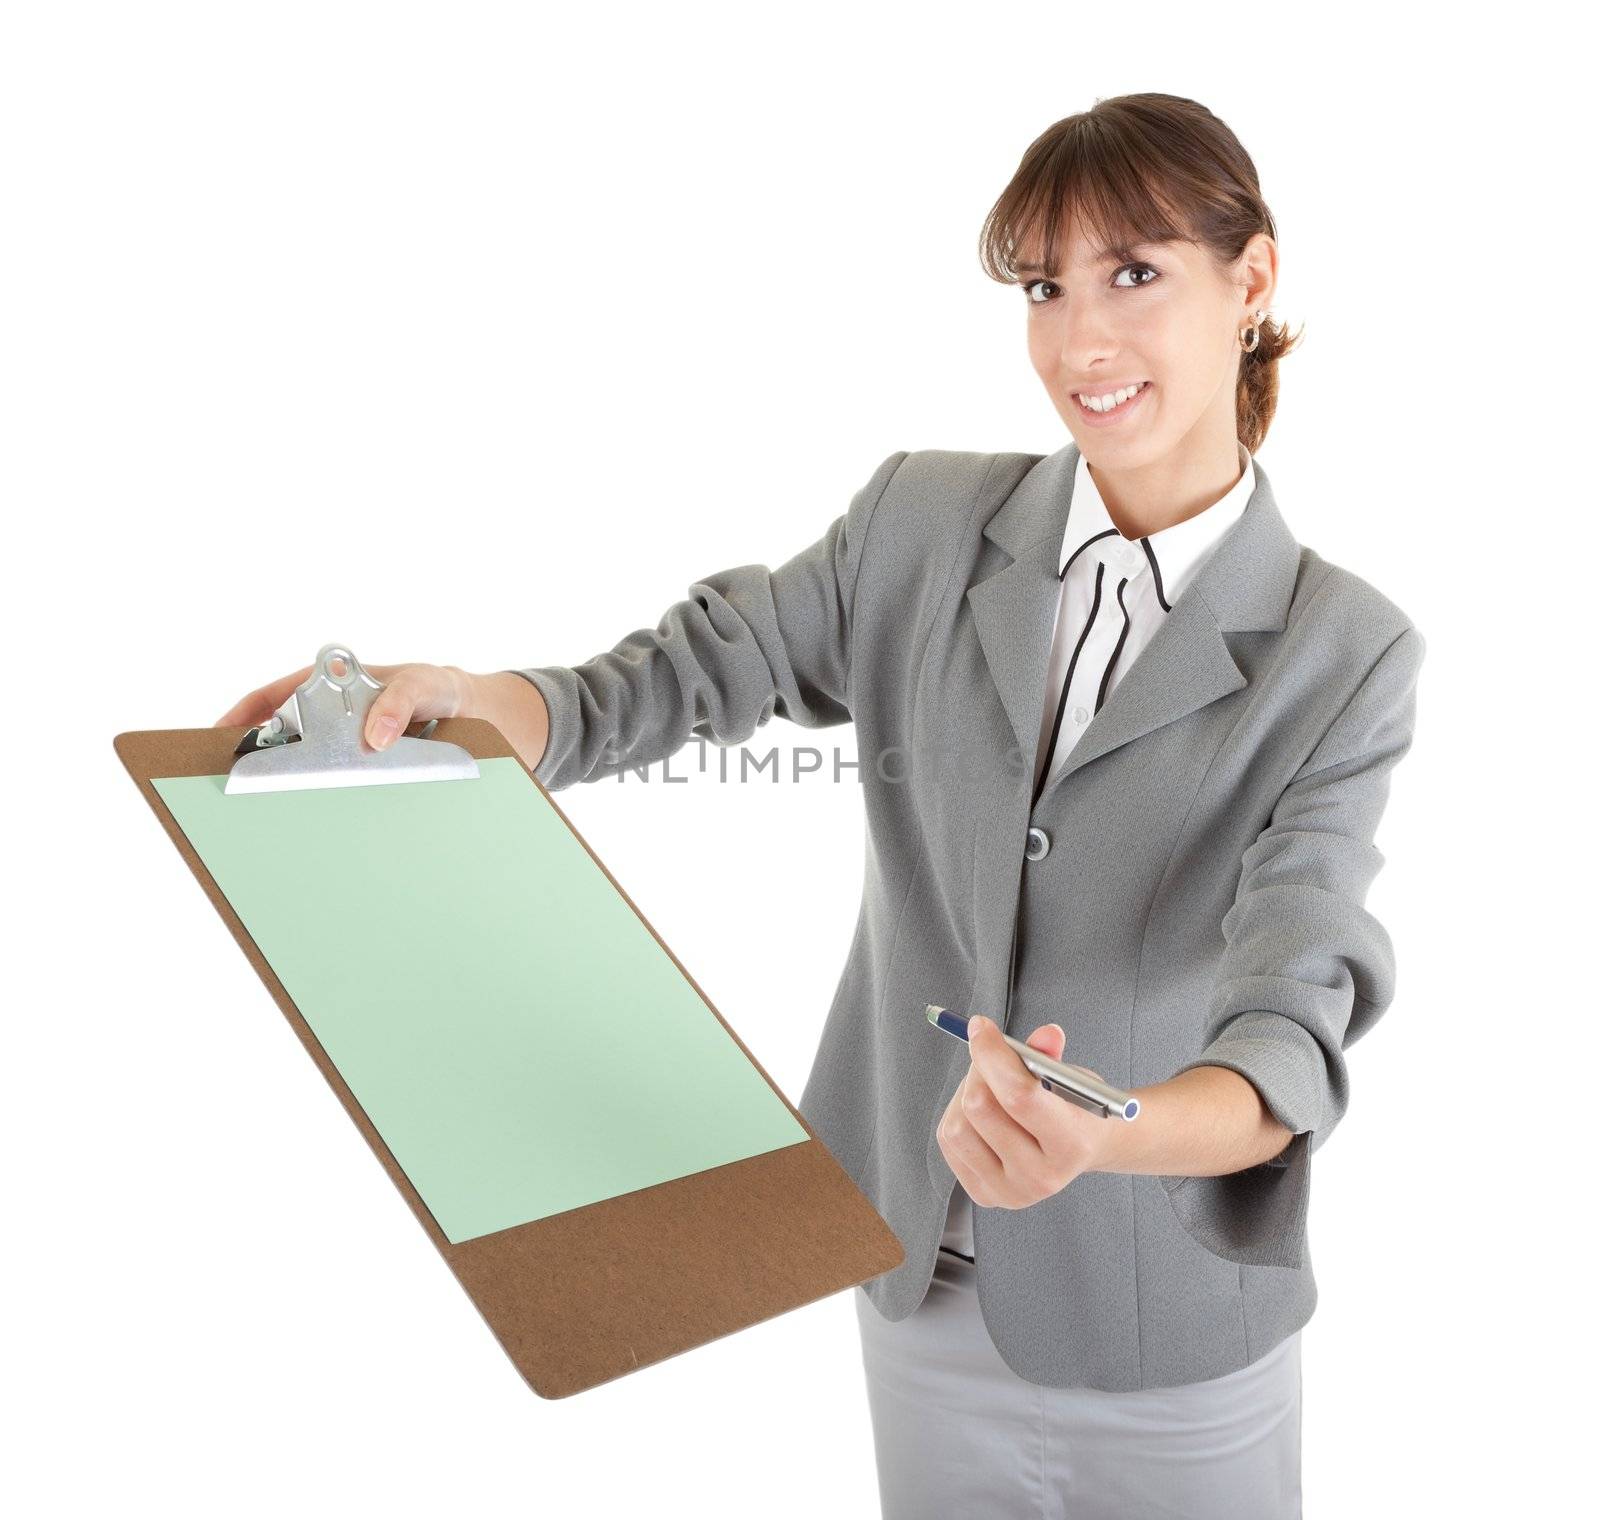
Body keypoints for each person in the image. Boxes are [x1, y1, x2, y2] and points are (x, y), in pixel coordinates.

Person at [218, 92, 1425, 1520]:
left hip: (1171, 1336)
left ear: (1255, 281)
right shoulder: (922, 522)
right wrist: (489, 703)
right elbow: (698, 667)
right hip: (916, 1286)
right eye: (1044, 286)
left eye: (1135, 273)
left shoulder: (1343, 648)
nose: (1078, 339)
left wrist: (1108, 1130)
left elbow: (1292, 1016)